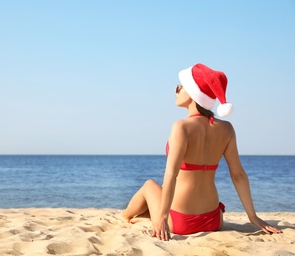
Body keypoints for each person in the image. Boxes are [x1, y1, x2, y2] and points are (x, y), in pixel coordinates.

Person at [117, 63, 282, 241]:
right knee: (163, 189)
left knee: (149, 185)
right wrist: (253, 217)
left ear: (193, 93)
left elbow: (171, 174)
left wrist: (163, 218)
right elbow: (238, 174)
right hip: (213, 219)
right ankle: (149, 214)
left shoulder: (181, 126)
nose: (176, 89)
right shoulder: (226, 128)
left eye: (180, 86)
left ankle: (124, 216)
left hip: (180, 221)